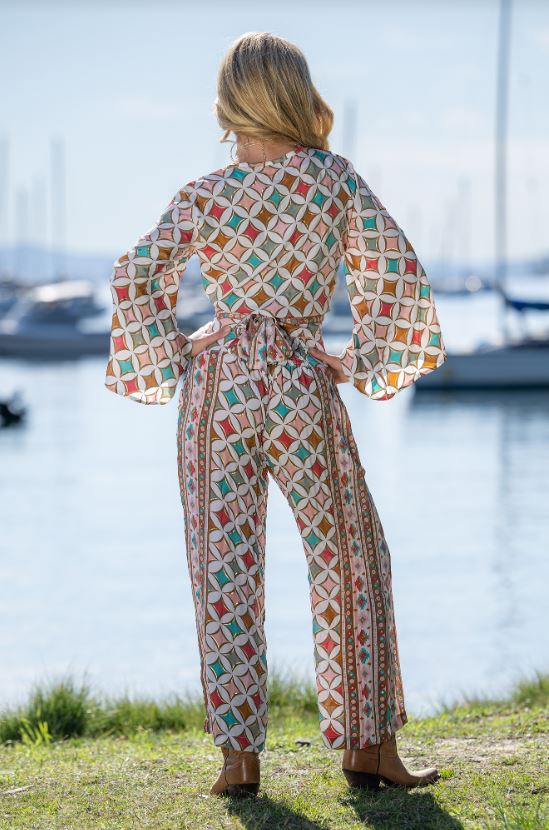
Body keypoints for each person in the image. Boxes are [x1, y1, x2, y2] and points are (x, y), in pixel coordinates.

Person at [104, 31, 447, 797]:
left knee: (221, 567)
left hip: (216, 387)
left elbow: (133, 274)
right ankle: (367, 746)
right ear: (295, 91)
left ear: (229, 100)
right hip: (296, 378)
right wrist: (357, 360)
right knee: (350, 556)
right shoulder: (331, 179)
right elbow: (394, 272)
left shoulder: (203, 194)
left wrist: (176, 347)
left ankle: (238, 761)